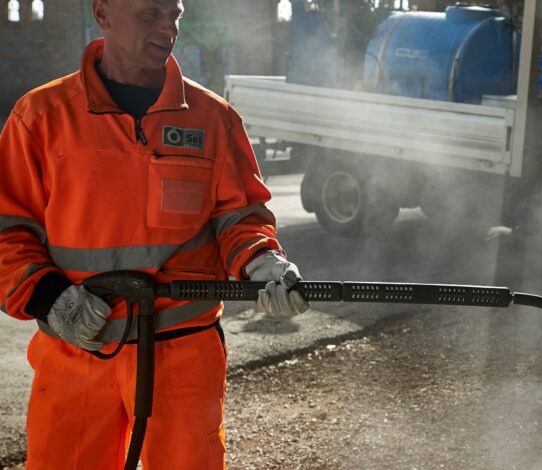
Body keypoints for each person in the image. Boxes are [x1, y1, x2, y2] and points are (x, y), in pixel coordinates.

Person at [0, 0, 309, 468]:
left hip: (182, 352)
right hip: (79, 348)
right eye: (150, 14)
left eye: (175, 14)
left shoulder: (213, 119)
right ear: (103, 15)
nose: (168, 29)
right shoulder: (41, 117)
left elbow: (239, 216)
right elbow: (8, 228)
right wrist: (49, 297)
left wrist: (262, 259)